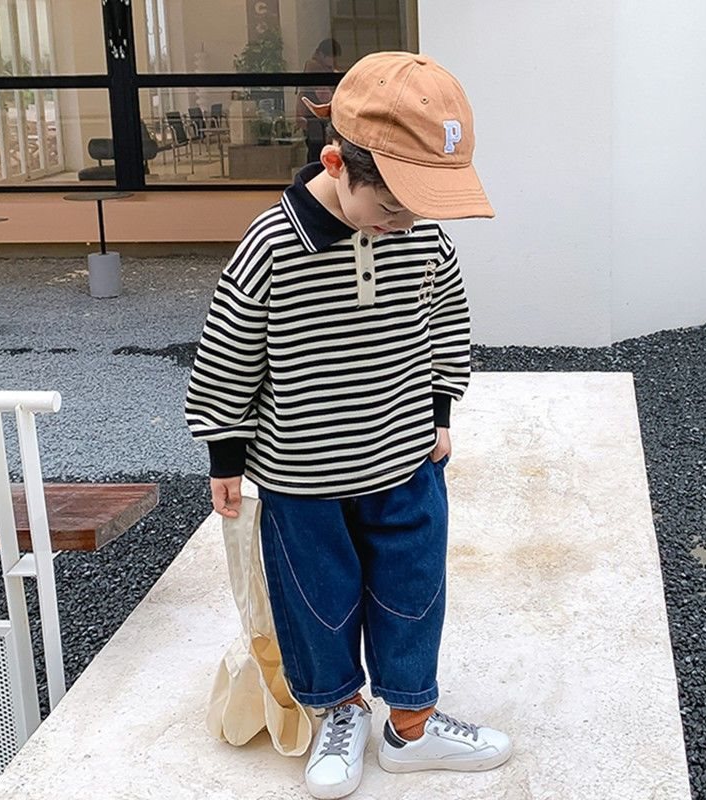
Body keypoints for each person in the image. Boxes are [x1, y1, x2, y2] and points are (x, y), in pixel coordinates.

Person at [186, 51, 512, 799]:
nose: (403, 224)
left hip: (405, 458)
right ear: (337, 162)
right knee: (317, 601)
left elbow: (446, 323)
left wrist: (440, 410)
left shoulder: (422, 239)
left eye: (419, 209)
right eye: (391, 207)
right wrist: (224, 454)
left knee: (414, 589)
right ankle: (340, 712)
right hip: (303, 476)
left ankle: (413, 727)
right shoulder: (272, 247)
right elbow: (229, 350)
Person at [296, 38, 341, 163]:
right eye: (331, 57)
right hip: (315, 117)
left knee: (314, 151)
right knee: (318, 152)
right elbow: (324, 95)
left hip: (310, 117)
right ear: (322, 54)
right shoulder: (316, 68)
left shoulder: (313, 66)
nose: (333, 61)